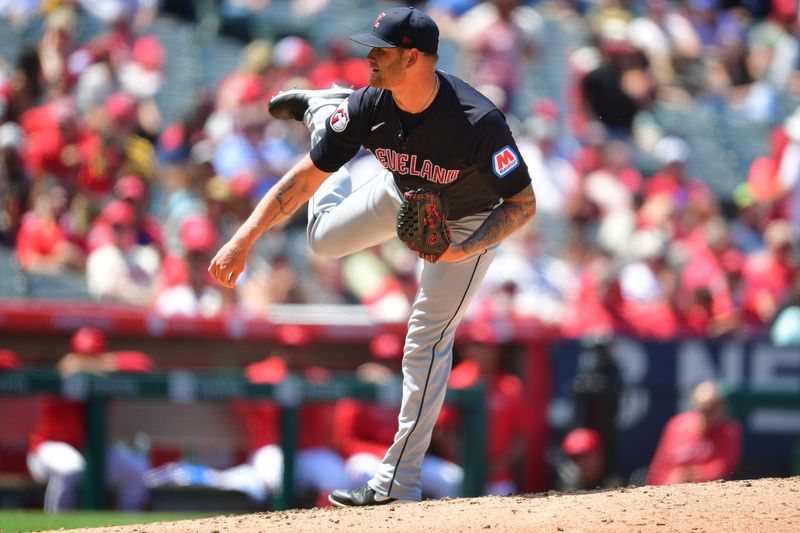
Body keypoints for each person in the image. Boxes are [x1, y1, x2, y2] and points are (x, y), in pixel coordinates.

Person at [208, 6, 536, 507]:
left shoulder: (478, 121)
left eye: (380, 51)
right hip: (403, 191)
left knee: (425, 340)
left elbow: (523, 204)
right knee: (321, 240)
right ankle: (327, 113)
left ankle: (396, 483)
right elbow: (302, 182)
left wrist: (460, 250)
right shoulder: (372, 102)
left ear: (412, 57)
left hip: (468, 221)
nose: (370, 58)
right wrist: (242, 240)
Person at [27, 327, 149, 513]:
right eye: (85, 355)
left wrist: (101, 365)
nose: (88, 360)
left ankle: (128, 527)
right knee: (70, 469)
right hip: (47, 449)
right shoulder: (62, 371)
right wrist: (94, 366)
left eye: (94, 355)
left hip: (91, 451)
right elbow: (70, 366)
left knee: (135, 472)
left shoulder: (105, 373)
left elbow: (141, 363)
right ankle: (55, 527)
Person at [647, 381, 741, 485]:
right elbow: (659, 465)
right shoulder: (676, 425)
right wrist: (667, 481)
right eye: (702, 408)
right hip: (669, 490)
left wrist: (694, 476)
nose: (706, 413)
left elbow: (724, 467)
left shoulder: (729, 431)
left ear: (721, 407)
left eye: (712, 407)